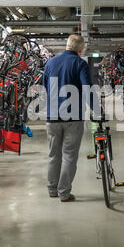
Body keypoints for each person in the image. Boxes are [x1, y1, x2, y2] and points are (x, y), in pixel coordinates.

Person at [42, 34, 95, 202]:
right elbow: (87, 89)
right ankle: (64, 192)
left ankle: (52, 189)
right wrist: (96, 110)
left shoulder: (50, 62)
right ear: (80, 49)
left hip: (52, 117)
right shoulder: (80, 63)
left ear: (67, 45)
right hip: (73, 117)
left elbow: (44, 86)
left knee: (53, 155)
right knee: (69, 156)